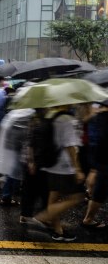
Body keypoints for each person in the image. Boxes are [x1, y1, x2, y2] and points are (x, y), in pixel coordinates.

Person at [34, 105, 85, 241]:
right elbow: (70, 145)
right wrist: (78, 169)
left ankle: (58, 231)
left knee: (54, 199)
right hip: (65, 166)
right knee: (77, 197)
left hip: (51, 164)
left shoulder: (51, 115)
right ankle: (43, 216)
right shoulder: (66, 119)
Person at [82, 100, 108, 228]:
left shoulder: (95, 117)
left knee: (97, 187)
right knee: (100, 192)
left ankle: (89, 192)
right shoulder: (104, 119)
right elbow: (103, 141)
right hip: (103, 160)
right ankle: (88, 219)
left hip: (92, 154)